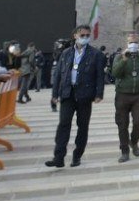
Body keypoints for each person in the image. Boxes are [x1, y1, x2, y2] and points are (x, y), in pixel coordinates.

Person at [45, 25, 106, 168]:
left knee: (82, 126)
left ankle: (77, 155)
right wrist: (54, 94)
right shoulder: (66, 53)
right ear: (75, 36)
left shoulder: (95, 54)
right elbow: (58, 74)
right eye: (82, 35)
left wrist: (99, 94)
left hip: (85, 95)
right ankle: (58, 157)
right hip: (68, 93)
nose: (85, 37)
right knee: (63, 124)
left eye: (87, 35)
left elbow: (100, 76)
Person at [110, 32, 139, 162]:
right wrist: (124, 60)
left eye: (135, 42)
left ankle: (134, 141)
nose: (133, 44)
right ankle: (125, 151)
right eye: (131, 42)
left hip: (138, 96)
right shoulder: (119, 57)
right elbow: (115, 73)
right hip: (122, 95)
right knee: (122, 124)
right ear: (127, 43)